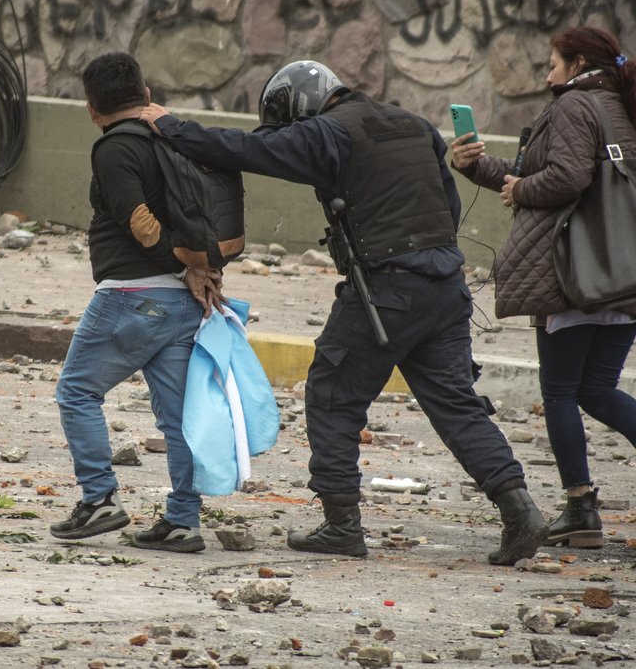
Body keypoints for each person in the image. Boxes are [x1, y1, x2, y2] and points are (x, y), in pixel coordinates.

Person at [139, 60, 547, 566]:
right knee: (455, 403)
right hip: (445, 287)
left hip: (387, 289)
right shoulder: (414, 125)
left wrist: (169, 125)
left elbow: (246, 149)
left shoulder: (328, 132)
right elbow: (445, 202)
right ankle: (520, 511)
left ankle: (342, 526)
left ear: (300, 108)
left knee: (332, 395)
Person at [450, 26, 636, 549]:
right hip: (625, 275)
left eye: (553, 63)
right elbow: (538, 172)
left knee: (560, 391)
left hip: (573, 273)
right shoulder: (622, 107)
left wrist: (520, 190)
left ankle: (580, 507)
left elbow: (564, 180)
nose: (547, 73)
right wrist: (480, 170)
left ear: (578, 63)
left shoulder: (571, 107)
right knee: (595, 387)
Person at [51, 52, 225, 553]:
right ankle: (183, 522)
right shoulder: (171, 139)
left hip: (131, 297)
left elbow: (138, 221)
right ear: (147, 97)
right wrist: (194, 269)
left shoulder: (112, 148)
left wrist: (182, 266)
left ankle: (100, 498)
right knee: (176, 418)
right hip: (181, 303)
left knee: (76, 393)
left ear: (91, 110)